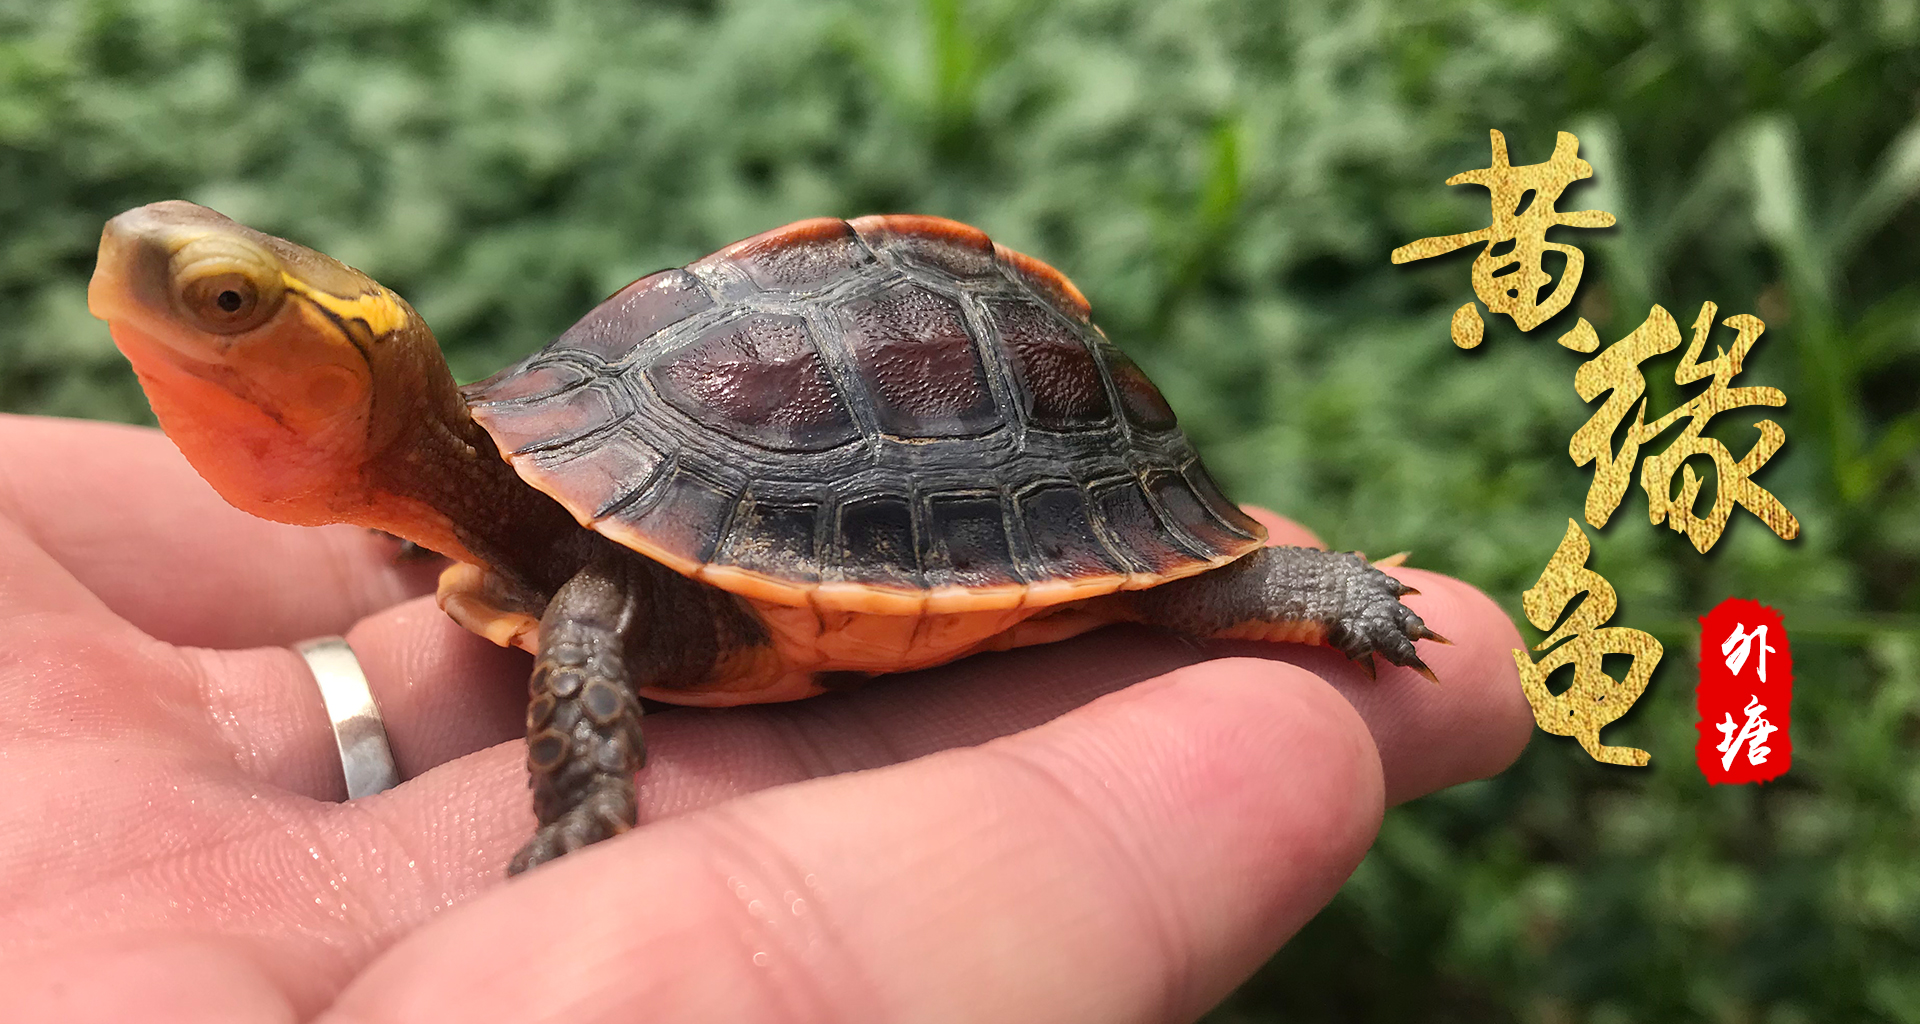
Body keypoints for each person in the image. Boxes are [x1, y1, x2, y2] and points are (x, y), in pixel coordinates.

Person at [0, 412, 1531, 1023]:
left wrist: (578, 807)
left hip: (971, 468)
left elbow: (581, 599)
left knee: (1159, 591)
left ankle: (1303, 580)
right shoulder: (507, 520)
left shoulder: (578, 576)